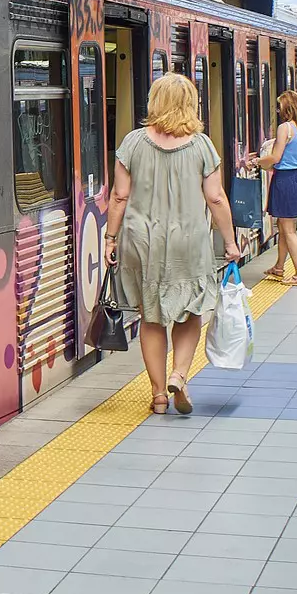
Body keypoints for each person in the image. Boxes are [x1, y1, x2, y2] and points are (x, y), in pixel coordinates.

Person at [102, 74, 241, 416]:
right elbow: (216, 198)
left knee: (151, 318)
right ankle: (180, 373)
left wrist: (109, 237)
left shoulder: (132, 143)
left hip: (141, 240)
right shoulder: (201, 145)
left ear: (154, 101)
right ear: (190, 103)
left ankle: (159, 395)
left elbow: (119, 196)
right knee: (190, 311)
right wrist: (230, 241)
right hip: (189, 240)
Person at [244, 90, 297, 286]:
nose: (278, 110)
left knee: (288, 229)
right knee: (286, 226)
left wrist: (258, 161)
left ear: (288, 107)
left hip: (285, 180)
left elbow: (275, 158)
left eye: (280, 106)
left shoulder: (285, 128)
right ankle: (279, 267)